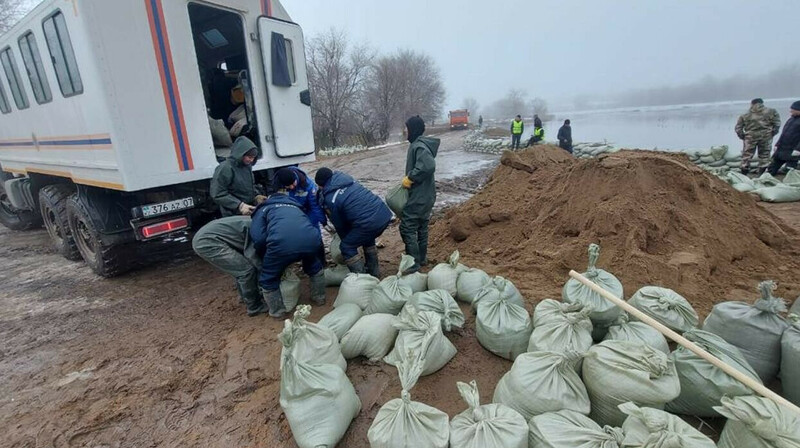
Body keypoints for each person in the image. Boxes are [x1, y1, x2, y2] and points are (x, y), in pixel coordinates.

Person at [250, 191, 325, 319]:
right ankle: (319, 298)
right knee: (314, 266)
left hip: (281, 244)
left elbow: (259, 238)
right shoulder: (295, 206)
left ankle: (277, 312)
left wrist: (267, 255)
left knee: (268, 279)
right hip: (311, 239)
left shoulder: (263, 210)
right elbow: (306, 225)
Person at [315, 167, 393, 277]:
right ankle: (374, 273)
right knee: (367, 237)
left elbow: (340, 225)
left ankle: (361, 279)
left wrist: (345, 239)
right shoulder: (349, 181)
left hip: (369, 223)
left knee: (346, 247)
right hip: (384, 214)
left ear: (321, 185)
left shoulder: (330, 199)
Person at [192, 216, 266, 317]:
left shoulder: (260, 222)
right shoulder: (259, 230)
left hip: (209, 235)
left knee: (241, 268)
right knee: (245, 270)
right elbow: (253, 257)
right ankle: (254, 307)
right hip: (207, 242)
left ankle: (245, 297)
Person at [400, 116, 439, 273]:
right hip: (427, 195)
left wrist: (411, 177)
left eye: (407, 128)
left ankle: (413, 263)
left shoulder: (418, 146)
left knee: (407, 227)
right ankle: (421, 259)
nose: (405, 131)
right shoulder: (420, 145)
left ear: (413, 129)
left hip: (419, 197)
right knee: (422, 227)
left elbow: (428, 165)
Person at [211, 136, 259, 217]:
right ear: (241, 154)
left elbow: (247, 187)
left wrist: (256, 196)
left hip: (247, 210)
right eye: (249, 157)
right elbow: (217, 194)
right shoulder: (225, 168)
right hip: (232, 213)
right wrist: (239, 205)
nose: (251, 160)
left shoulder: (246, 167)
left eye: (253, 158)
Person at [736, 98, 781, 174]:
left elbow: (738, 128)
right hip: (766, 136)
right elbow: (777, 124)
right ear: (762, 103)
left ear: (752, 104)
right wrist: (772, 133)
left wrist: (743, 136)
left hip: (750, 137)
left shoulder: (745, 114)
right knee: (764, 155)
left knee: (747, 155)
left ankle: (744, 171)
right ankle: (761, 173)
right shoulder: (772, 111)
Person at [767, 101, 800, 176]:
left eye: (793, 109)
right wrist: (777, 144)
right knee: (771, 168)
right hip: (781, 149)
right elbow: (784, 133)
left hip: (793, 150)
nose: (791, 111)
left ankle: (789, 185)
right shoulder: (791, 119)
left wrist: (798, 149)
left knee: (789, 171)